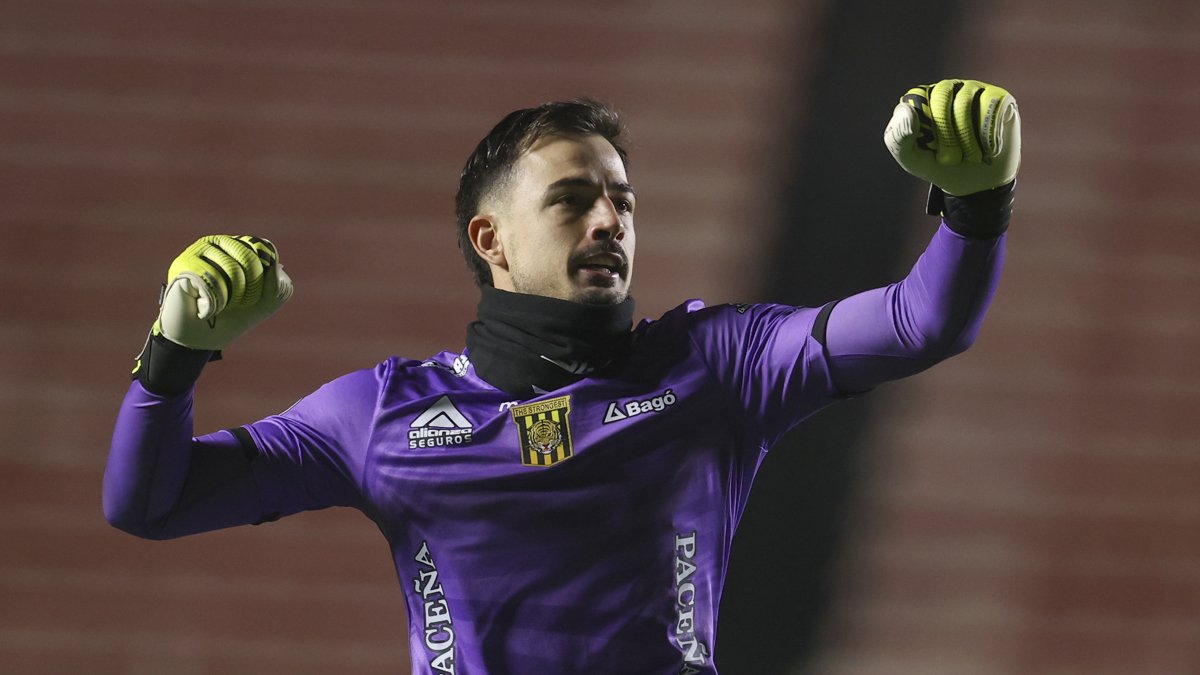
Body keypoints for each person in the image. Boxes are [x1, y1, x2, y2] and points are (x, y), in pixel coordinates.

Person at [105, 80, 1020, 674]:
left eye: (621, 199)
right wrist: (171, 360)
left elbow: (921, 320)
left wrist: (978, 206)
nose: (609, 221)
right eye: (573, 200)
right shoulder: (379, 414)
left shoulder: (718, 364)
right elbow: (151, 500)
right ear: (489, 239)